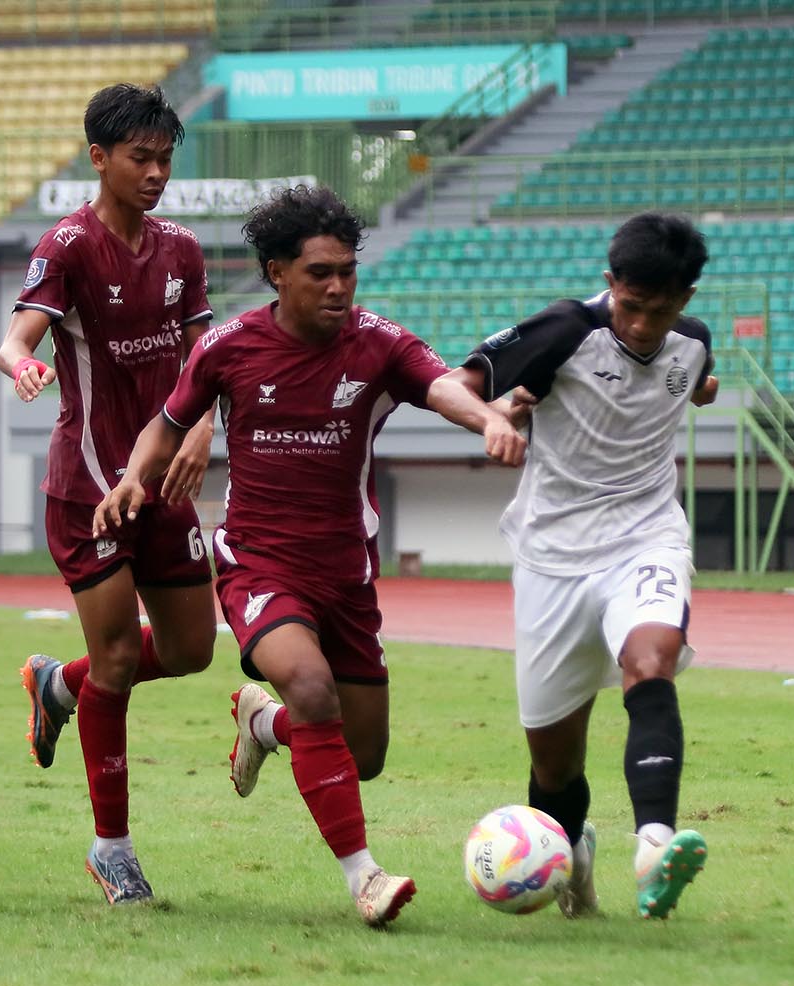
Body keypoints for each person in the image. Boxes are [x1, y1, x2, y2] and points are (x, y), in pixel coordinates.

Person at [94, 184, 526, 927]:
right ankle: (366, 877)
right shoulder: (228, 347)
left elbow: (440, 385)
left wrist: (487, 418)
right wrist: (135, 477)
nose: (337, 287)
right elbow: (166, 425)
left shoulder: (379, 342)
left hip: (347, 575)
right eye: (320, 272)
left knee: (364, 753)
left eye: (347, 272)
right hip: (258, 563)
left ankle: (264, 725)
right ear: (277, 273)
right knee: (312, 686)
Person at [450, 212, 718, 921]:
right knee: (554, 764)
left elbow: (690, 378)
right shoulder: (566, 328)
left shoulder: (693, 341)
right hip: (553, 559)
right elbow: (456, 381)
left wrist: (703, 389)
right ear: (610, 283)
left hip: (646, 536)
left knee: (651, 660)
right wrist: (497, 416)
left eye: (662, 310)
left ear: (687, 299)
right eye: (632, 305)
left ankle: (655, 846)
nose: (643, 325)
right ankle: (573, 855)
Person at [0, 83, 217, 905]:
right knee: (120, 657)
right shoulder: (68, 245)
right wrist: (24, 364)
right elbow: (15, 339)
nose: (156, 173)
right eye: (139, 158)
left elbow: (206, 359)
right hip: (87, 486)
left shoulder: (182, 249)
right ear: (99, 158)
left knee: (193, 649)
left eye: (165, 159)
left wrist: (203, 427)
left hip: (161, 480)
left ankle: (59, 685)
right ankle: (112, 847)